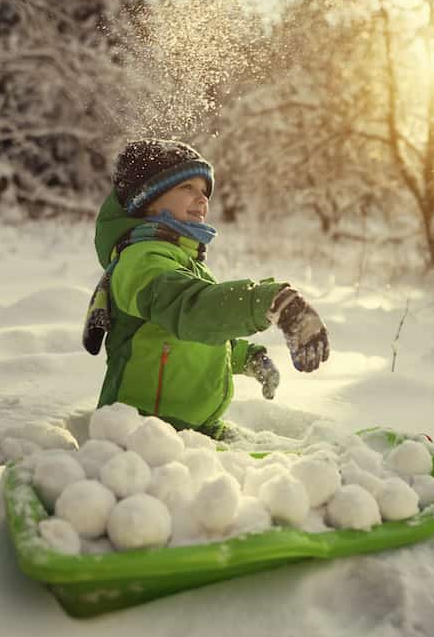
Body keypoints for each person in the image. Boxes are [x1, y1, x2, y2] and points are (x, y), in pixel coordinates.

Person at [83, 138, 330, 438]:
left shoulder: (183, 261)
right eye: (186, 188)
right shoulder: (142, 261)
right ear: (146, 199)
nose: (202, 199)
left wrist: (246, 356)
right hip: (142, 432)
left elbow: (198, 335)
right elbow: (191, 311)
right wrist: (272, 301)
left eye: (204, 191)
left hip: (194, 429)